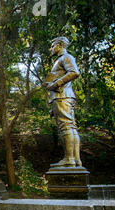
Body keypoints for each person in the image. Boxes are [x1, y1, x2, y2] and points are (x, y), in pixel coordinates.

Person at [44, 36, 81, 167]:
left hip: (62, 96)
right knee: (70, 126)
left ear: (59, 45)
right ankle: (75, 159)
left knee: (66, 126)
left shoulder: (66, 57)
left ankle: (70, 159)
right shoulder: (59, 60)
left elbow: (74, 72)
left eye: (53, 45)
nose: (51, 48)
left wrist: (55, 84)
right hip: (61, 97)